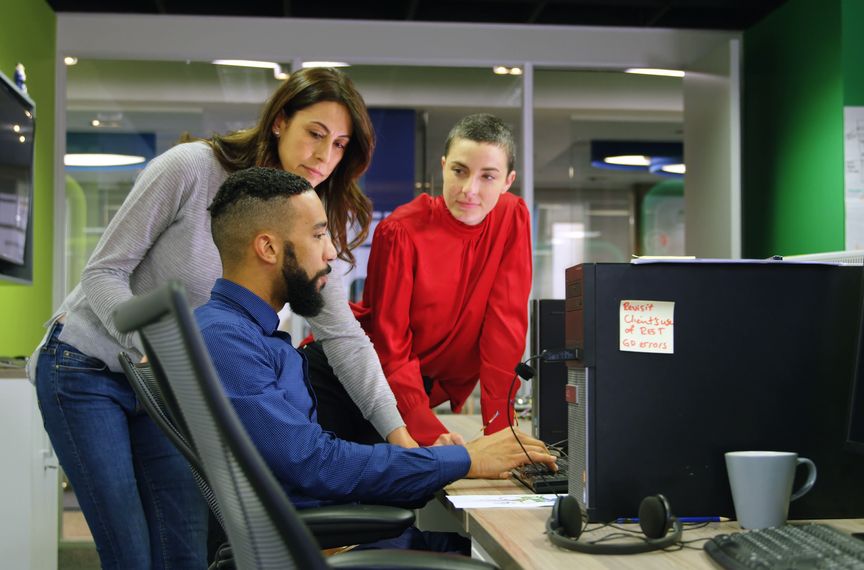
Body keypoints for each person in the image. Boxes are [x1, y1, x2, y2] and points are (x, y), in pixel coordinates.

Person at [30, 68, 418, 570]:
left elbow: (343, 334)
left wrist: (399, 435)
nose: (324, 158)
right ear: (280, 122)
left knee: (185, 550)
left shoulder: (302, 213)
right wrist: (148, 346)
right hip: (87, 367)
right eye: (315, 134)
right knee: (130, 552)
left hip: (164, 387)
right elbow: (104, 271)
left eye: (340, 145)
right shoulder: (191, 167)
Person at [195, 167, 554, 532]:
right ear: (268, 248)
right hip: (320, 549)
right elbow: (318, 465)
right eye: (319, 235)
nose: (332, 253)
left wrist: (436, 457)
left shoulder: (246, 334)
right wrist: (464, 460)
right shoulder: (226, 341)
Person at [304, 113, 532, 447]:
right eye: (459, 171)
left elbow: (505, 325)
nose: (470, 190)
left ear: (507, 181)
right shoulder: (400, 231)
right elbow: (389, 342)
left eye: (488, 176)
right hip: (350, 379)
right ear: (442, 166)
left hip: (411, 386)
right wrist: (426, 429)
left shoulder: (513, 218)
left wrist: (501, 428)